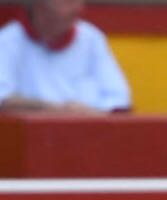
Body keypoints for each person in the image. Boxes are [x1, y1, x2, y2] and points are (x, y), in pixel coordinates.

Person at [0, 0, 130, 114]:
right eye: (67, 1)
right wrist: (57, 110)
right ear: (39, 5)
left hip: (90, 135)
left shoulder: (91, 38)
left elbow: (119, 101)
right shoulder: (7, 41)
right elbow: (3, 100)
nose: (78, 8)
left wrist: (89, 114)